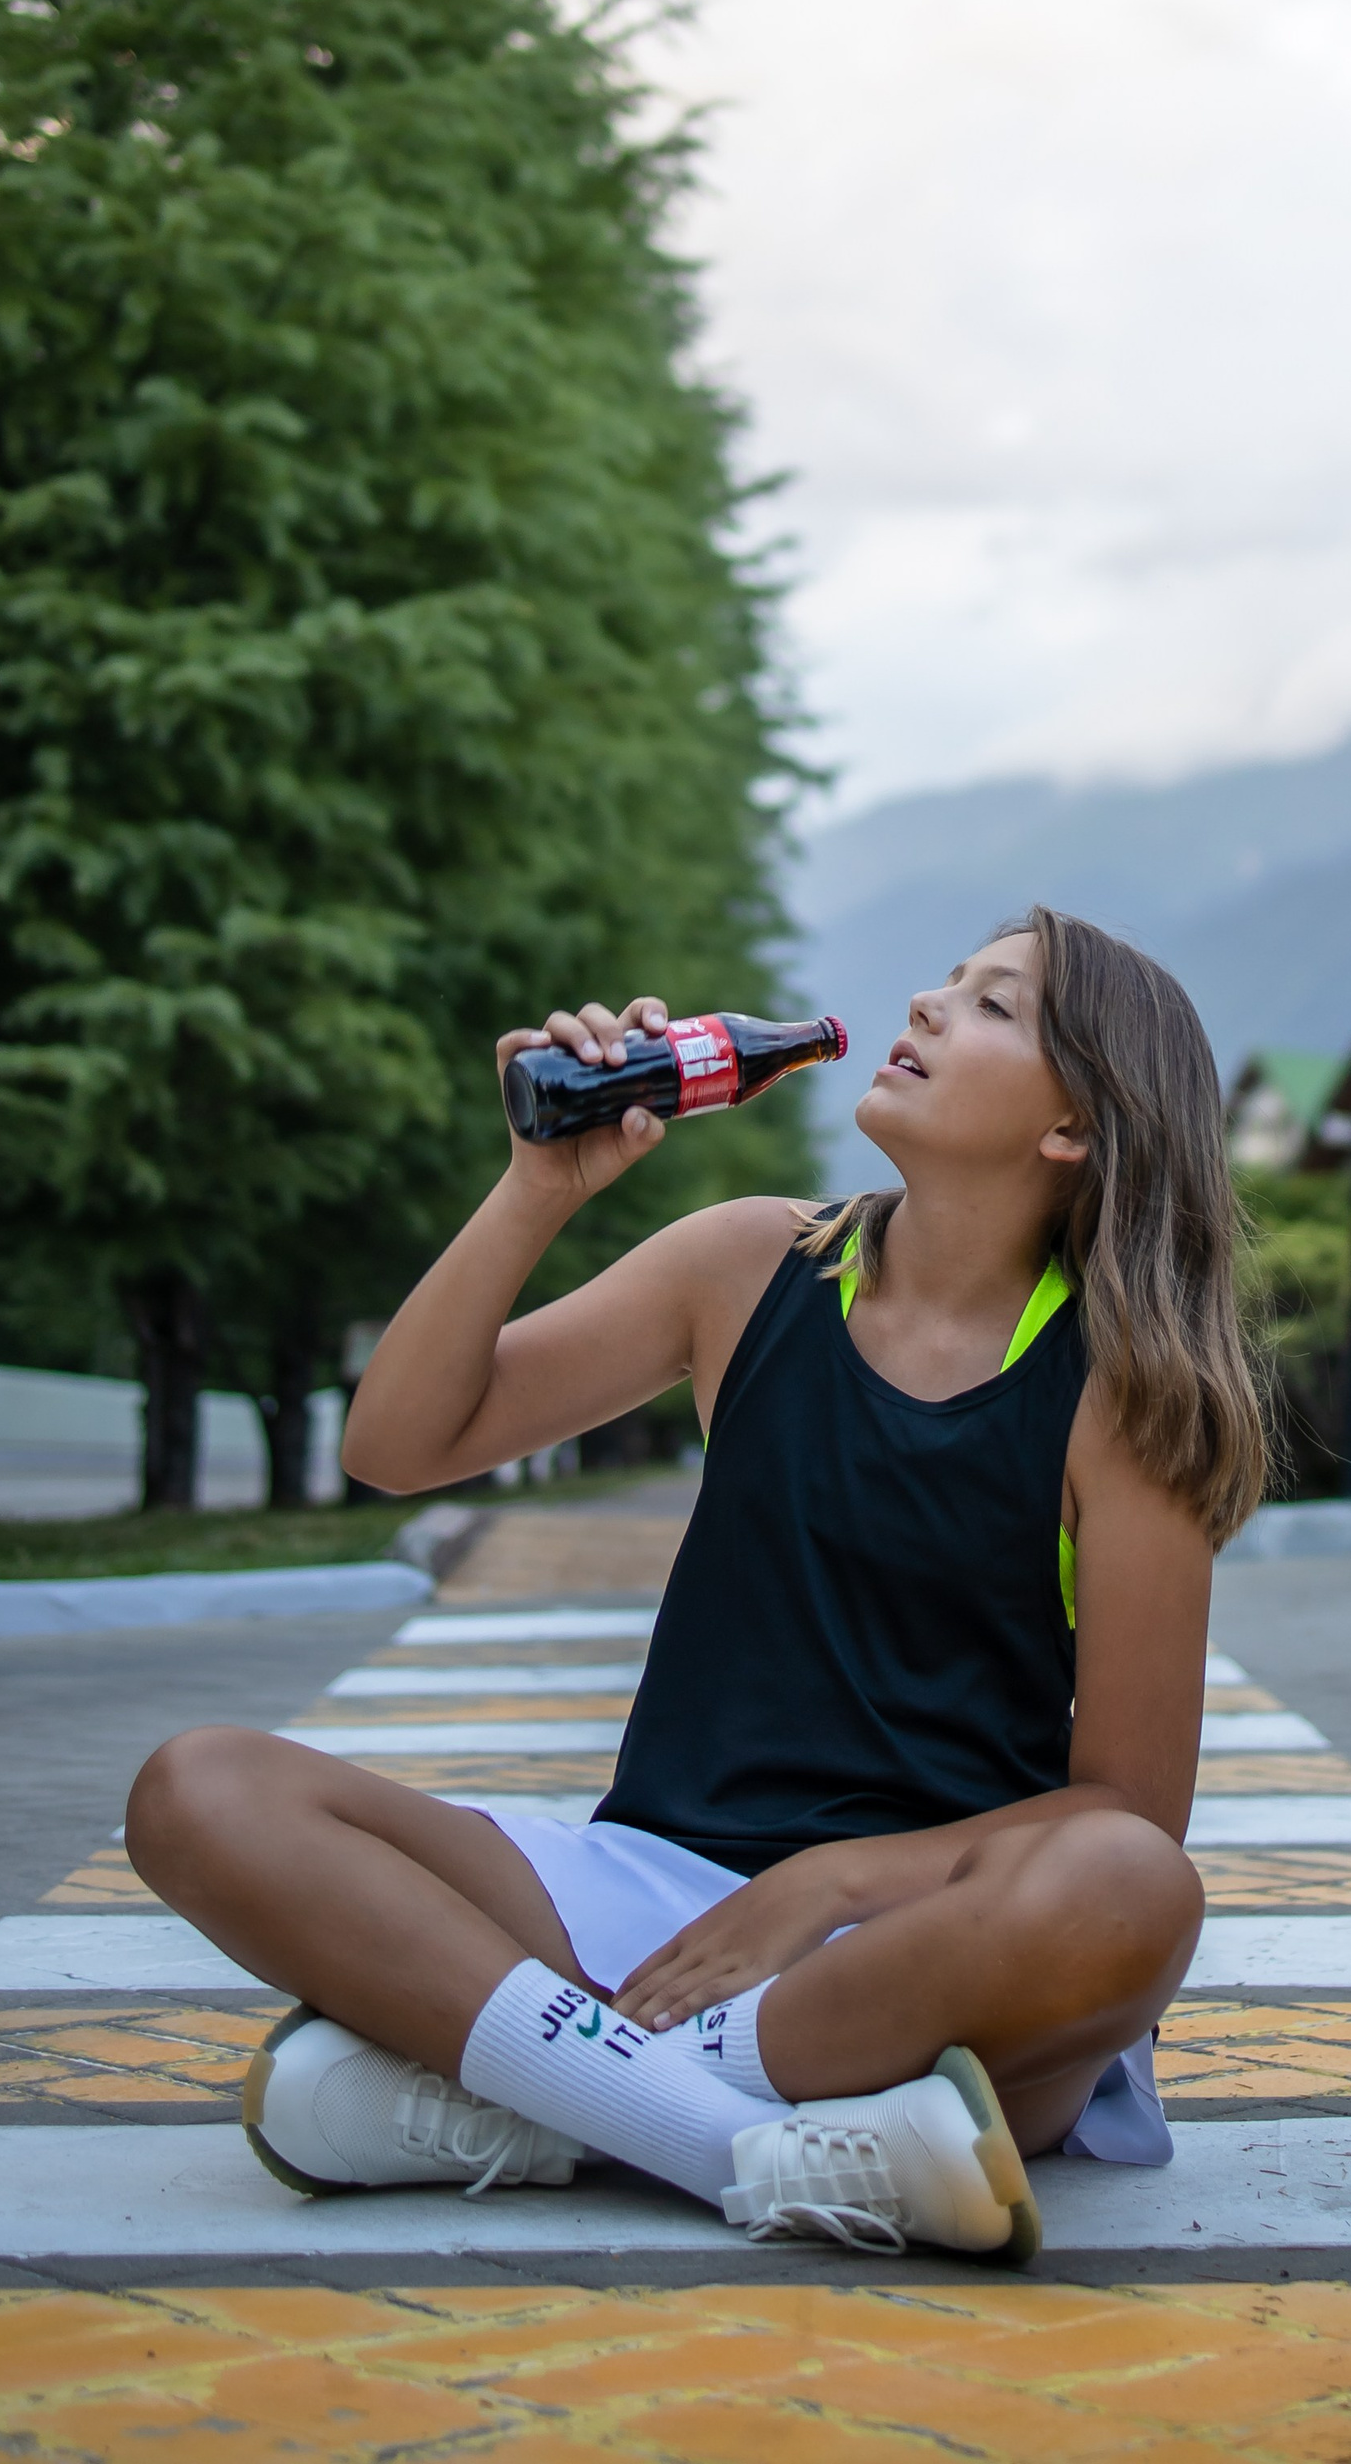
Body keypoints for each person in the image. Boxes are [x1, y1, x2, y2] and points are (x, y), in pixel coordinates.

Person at [127, 906, 1267, 2258]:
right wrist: (537, 1187)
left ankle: (545, 2086)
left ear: (1072, 1127)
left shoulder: (1123, 1398)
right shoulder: (748, 1268)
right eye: (948, 980)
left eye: (993, 1005)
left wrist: (829, 1882)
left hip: (914, 1938)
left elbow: (1130, 1807)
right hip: (642, 1887)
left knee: (1133, 1886)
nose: (924, 1001)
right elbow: (397, 1442)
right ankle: (718, 2133)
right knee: (200, 1787)